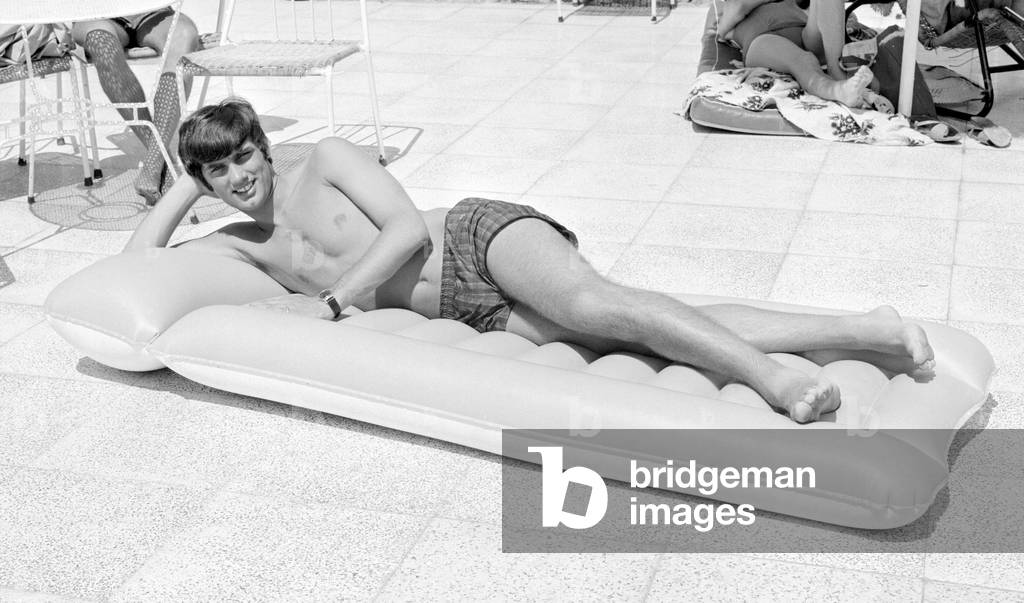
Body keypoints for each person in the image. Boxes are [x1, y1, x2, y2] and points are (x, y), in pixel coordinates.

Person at [126, 99, 937, 424]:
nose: (240, 176)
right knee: (628, 333)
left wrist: (334, 302)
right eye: (219, 170)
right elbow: (133, 269)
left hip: (479, 238)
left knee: (593, 308)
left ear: (263, 146)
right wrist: (175, 189)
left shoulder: (325, 159)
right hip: (464, 312)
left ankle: (774, 378)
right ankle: (864, 327)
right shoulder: (237, 239)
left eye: (244, 156)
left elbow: (406, 229)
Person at [72, 9, 199, 204]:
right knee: (101, 42)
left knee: (184, 35)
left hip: (153, 13)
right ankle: (160, 159)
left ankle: (154, 161)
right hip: (97, 13)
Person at [714, 0, 880, 108]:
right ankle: (838, 90)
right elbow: (725, 28)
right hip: (764, 40)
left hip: (804, 33)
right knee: (803, 60)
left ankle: (838, 71)